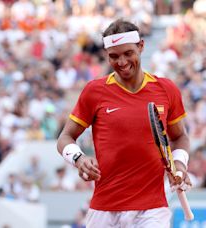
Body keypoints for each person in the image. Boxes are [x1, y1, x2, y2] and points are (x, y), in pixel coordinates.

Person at [57, 19, 192, 228]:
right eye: (114, 56)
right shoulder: (94, 91)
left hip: (153, 209)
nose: (121, 62)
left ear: (141, 46)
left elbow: (180, 137)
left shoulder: (166, 89)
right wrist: (78, 158)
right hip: (104, 208)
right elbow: (65, 138)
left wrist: (180, 165)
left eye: (128, 53)